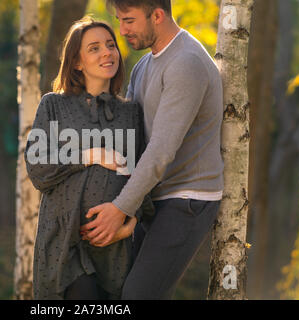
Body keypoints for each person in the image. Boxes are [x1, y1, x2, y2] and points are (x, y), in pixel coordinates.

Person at [80, 0, 224, 299]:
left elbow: (160, 151)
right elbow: (132, 141)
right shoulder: (145, 65)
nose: (122, 30)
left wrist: (120, 209)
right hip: (153, 196)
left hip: (187, 199)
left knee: (138, 295)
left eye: (129, 20)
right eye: (119, 20)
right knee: (112, 291)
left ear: (157, 15)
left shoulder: (186, 62)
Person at [24, 17, 154, 300]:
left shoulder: (130, 113)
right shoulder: (53, 105)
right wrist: (89, 155)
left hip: (112, 248)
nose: (107, 52)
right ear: (77, 62)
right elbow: (37, 167)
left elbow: (142, 176)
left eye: (110, 45)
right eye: (94, 48)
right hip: (64, 243)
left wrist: (131, 221)